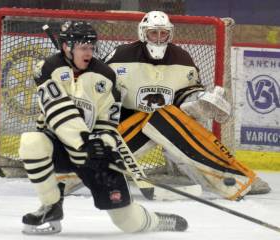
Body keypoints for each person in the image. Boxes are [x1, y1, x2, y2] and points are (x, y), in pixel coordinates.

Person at [18, 20, 188, 235]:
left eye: (91, 47)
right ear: (66, 47)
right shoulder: (47, 68)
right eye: (82, 47)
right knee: (32, 142)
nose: (88, 53)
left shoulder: (106, 76)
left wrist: (103, 146)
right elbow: (57, 109)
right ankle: (51, 206)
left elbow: (108, 123)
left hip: (91, 154)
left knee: (128, 222)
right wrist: (83, 142)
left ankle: (157, 221)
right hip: (58, 146)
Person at [104, 11, 271, 200]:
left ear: (170, 34)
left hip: (165, 122)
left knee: (177, 123)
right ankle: (71, 171)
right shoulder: (120, 56)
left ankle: (234, 177)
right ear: (143, 33)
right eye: (153, 33)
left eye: (163, 33)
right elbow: (99, 87)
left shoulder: (182, 58)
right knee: (91, 164)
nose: (158, 38)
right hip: (127, 126)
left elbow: (186, 93)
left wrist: (198, 101)